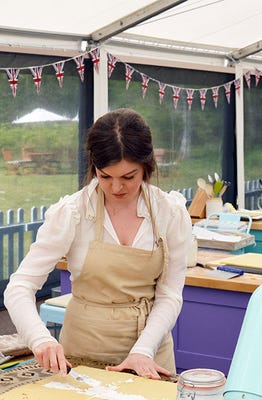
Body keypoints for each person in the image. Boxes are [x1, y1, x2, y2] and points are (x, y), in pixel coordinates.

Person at [4, 109, 191, 380]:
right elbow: (19, 287)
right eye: (105, 176)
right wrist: (40, 339)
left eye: (129, 177)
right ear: (94, 166)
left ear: (147, 166)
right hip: (82, 352)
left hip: (149, 353)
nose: (116, 188)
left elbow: (169, 294)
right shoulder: (73, 212)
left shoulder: (169, 212)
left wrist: (143, 350)